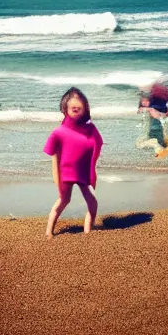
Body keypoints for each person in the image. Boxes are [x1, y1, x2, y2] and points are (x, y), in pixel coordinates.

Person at [43, 87, 103, 239]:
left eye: (80, 106)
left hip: (84, 172)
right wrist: (56, 178)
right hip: (65, 172)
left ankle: (88, 229)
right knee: (63, 200)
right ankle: (49, 231)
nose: (76, 107)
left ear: (85, 108)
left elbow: (98, 142)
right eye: (73, 106)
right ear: (65, 108)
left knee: (92, 201)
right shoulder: (59, 132)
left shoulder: (90, 129)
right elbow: (54, 156)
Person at [136, 82, 168, 157]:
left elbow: (162, 114)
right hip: (158, 133)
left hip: (155, 134)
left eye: (146, 101)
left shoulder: (152, 108)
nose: (144, 103)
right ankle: (159, 150)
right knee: (159, 142)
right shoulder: (149, 108)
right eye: (143, 101)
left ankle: (158, 149)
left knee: (139, 144)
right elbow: (143, 110)